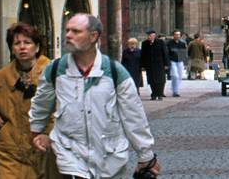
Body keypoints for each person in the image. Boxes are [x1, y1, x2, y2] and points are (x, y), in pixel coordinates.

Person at [29, 14, 159, 179]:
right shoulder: (55, 70)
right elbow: (40, 105)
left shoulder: (115, 72)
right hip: (70, 156)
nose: (68, 35)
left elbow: (134, 115)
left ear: (93, 36)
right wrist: (36, 132)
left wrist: (146, 156)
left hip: (110, 157)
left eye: (76, 31)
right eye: (67, 30)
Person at [0, 22, 59, 179]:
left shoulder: (53, 72)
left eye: (27, 42)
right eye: (17, 43)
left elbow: (68, 110)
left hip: (46, 148)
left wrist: (50, 134)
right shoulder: (2, 76)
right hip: (11, 150)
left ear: (36, 47)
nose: (22, 47)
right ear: (12, 48)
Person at [140, 30, 169, 101]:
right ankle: (154, 94)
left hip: (159, 64)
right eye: (148, 36)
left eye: (151, 36)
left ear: (154, 36)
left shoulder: (160, 42)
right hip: (149, 65)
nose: (149, 37)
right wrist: (143, 65)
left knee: (160, 80)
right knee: (151, 80)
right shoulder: (145, 43)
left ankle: (160, 94)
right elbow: (143, 54)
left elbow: (165, 53)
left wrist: (166, 64)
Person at [166, 31, 188, 97]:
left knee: (180, 76)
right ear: (173, 35)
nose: (177, 36)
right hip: (172, 61)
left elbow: (184, 53)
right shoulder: (169, 43)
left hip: (180, 61)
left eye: (178, 34)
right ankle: (175, 91)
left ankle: (175, 90)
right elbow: (167, 53)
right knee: (175, 76)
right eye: (176, 34)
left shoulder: (182, 43)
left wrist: (185, 63)